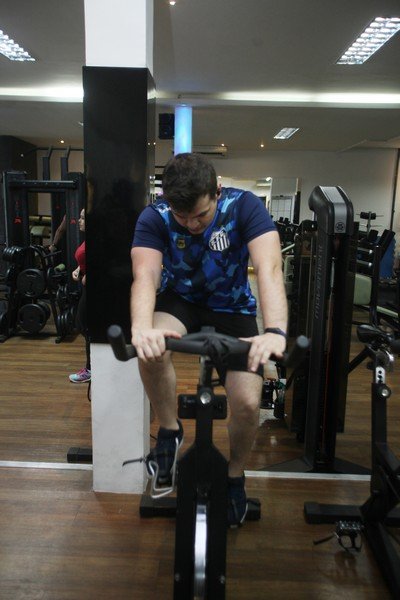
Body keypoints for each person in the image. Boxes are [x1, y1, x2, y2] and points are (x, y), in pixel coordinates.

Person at [130, 153, 287, 527]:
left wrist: (275, 331)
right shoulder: (155, 216)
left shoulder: (244, 206)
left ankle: (234, 474)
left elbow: (269, 268)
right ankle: (169, 431)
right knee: (150, 348)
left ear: (217, 191)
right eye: (182, 217)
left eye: (200, 215)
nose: (191, 225)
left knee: (247, 403)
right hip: (180, 301)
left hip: (232, 308)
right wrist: (140, 327)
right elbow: (145, 275)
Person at [69, 209, 91, 384]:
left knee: (84, 325)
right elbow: (85, 259)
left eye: (83, 218)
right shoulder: (89, 238)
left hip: (94, 290)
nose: (79, 220)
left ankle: (91, 369)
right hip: (86, 287)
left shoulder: (99, 240)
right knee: (84, 326)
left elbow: (107, 261)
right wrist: (78, 270)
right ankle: (92, 367)